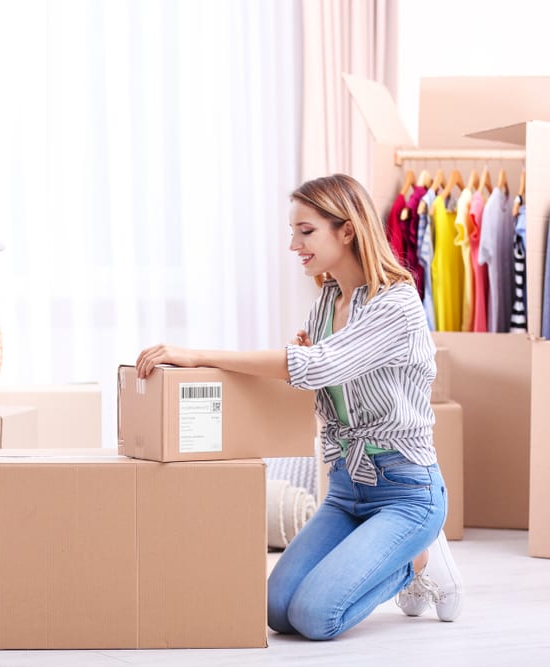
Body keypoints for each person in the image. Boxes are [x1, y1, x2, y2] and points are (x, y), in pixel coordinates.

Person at [135, 173, 463, 640]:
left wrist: (196, 353)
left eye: (305, 231)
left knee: (316, 618)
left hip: (406, 492)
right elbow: (316, 375)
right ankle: (391, 554)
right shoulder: (329, 300)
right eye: (293, 232)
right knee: (277, 610)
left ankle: (418, 559)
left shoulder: (398, 303)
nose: (294, 245)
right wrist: (307, 363)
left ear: (347, 230)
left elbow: (316, 366)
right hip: (347, 489)